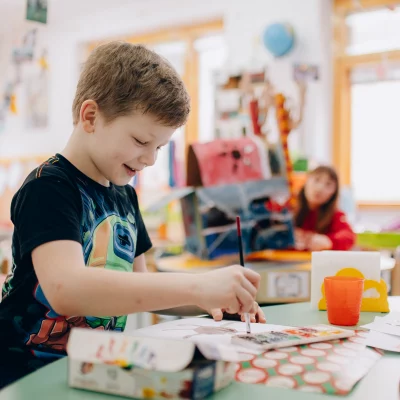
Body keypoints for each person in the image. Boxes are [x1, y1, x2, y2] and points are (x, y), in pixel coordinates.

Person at [0, 41, 265, 388]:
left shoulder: (125, 194)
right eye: (141, 141)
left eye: (159, 147)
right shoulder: (49, 188)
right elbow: (67, 290)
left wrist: (212, 299)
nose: (151, 159)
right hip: (26, 376)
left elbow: (139, 287)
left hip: (93, 371)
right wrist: (199, 284)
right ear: (90, 116)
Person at [294, 165, 356, 251]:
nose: (320, 188)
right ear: (306, 180)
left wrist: (329, 241)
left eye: (328, 184)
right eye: (317, 180)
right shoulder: (288, 207)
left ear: (333, 193)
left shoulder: (335, 216)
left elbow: (348, 236)